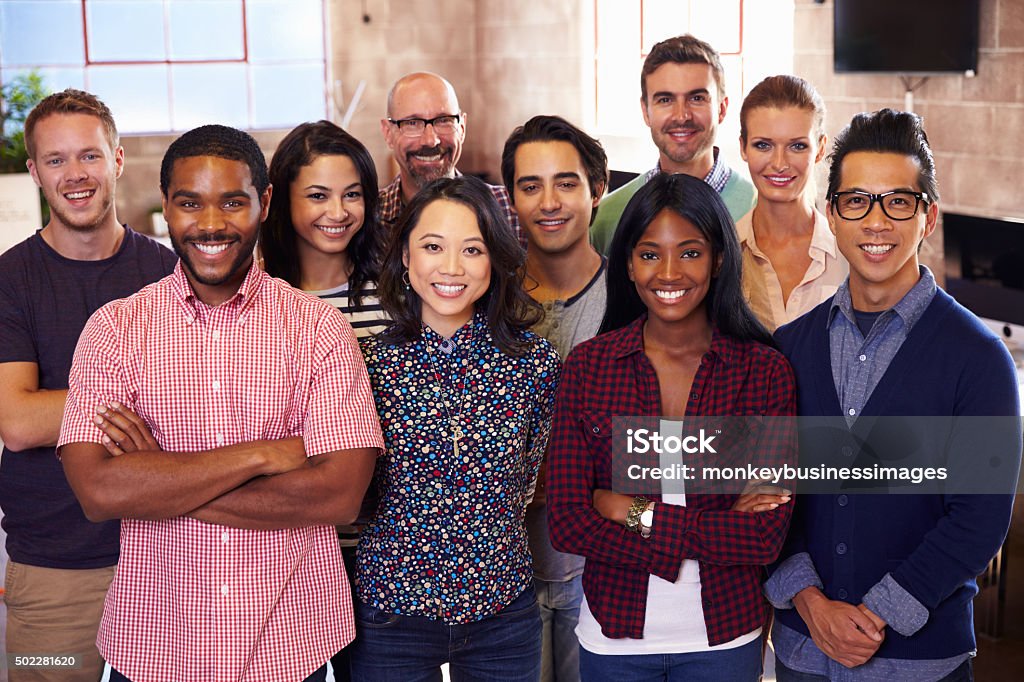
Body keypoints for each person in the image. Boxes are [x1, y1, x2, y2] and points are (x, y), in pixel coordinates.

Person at [57, 124, 384, 682]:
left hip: (293, 642)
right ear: (166, 206)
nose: (211, 224)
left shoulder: (317, 328)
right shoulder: (114, 329)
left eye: (233, 202)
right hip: (153, 644)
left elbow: (339, 494)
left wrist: (157, 481)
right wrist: (261, 455)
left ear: (265, 203)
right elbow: (98, 492)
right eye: (189, 203)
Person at [766, 109, 1022, 681]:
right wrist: (811, 603)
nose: (875, 221)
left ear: (927, 217)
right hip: (803, 654)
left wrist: (875, 615)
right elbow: (768, 491)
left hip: (920, 662)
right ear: (831, 215)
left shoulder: (980, 359)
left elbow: (978, 520)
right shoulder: (788, 347)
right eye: (856, 200)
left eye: (897, 202)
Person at [548, 173, 796, 681]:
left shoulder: (763, 372)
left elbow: (763, 538)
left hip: (726, 636)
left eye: (688, 252)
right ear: (629, 265)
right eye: (648, 254)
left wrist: (629, 510)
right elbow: (568, 522)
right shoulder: (588, 369)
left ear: (719, 258)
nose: (668, 272)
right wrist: (711, 532)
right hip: (614, 637)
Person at [351, 175, 561, 681]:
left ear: (495, 260)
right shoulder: (367, 365)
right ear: (405, 256)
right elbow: (360, 489)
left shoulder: (535, 365)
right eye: (432, 246)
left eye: (472, 249)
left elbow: (530, 482)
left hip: (502, 610)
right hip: (391, 609)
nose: (451, 268)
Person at [0, 89, 176, 682]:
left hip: (168, 562)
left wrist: (68, 406)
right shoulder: (9, 280)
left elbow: (206, 409)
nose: (75, 175)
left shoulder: (169, 275)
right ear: (34, 173)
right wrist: (141, 396)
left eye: (90, 156)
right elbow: (18, 422)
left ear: (118, 159)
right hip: (54, 575)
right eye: (56, 160)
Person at [259, 119, 389, 681]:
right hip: (289, 551)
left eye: (352, 194)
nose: (337, 211)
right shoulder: (256, 303)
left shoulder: (400, 295)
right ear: (281, 200)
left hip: (385, 548)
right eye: (317, 195)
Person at [500, 114, 609, 682]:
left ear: (599, 189)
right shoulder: (484, 303)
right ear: (512, 199)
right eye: (529, 185)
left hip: (605, 569)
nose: (549, 202)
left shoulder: (639, 301)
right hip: (504, 576)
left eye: (566, 183)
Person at [589, 34, 755, 255]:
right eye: (665, 100)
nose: (681, 116)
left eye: (697, 98)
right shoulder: (606, 218)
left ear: (722, 109)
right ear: (645, 111)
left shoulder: (758, 209)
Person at [737, 75, 847, 332]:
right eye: (763, 145)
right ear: (743, 147)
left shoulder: (849, 252)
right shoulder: (723, 253)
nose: (779, 163)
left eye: (797, 146)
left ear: (820, 149)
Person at [378, 72, 523, 245]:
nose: (431, 140)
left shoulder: (509, 210)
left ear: (461, 128)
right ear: (388, 133)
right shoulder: (367, 218)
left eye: (443, 120)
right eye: (412, 123)